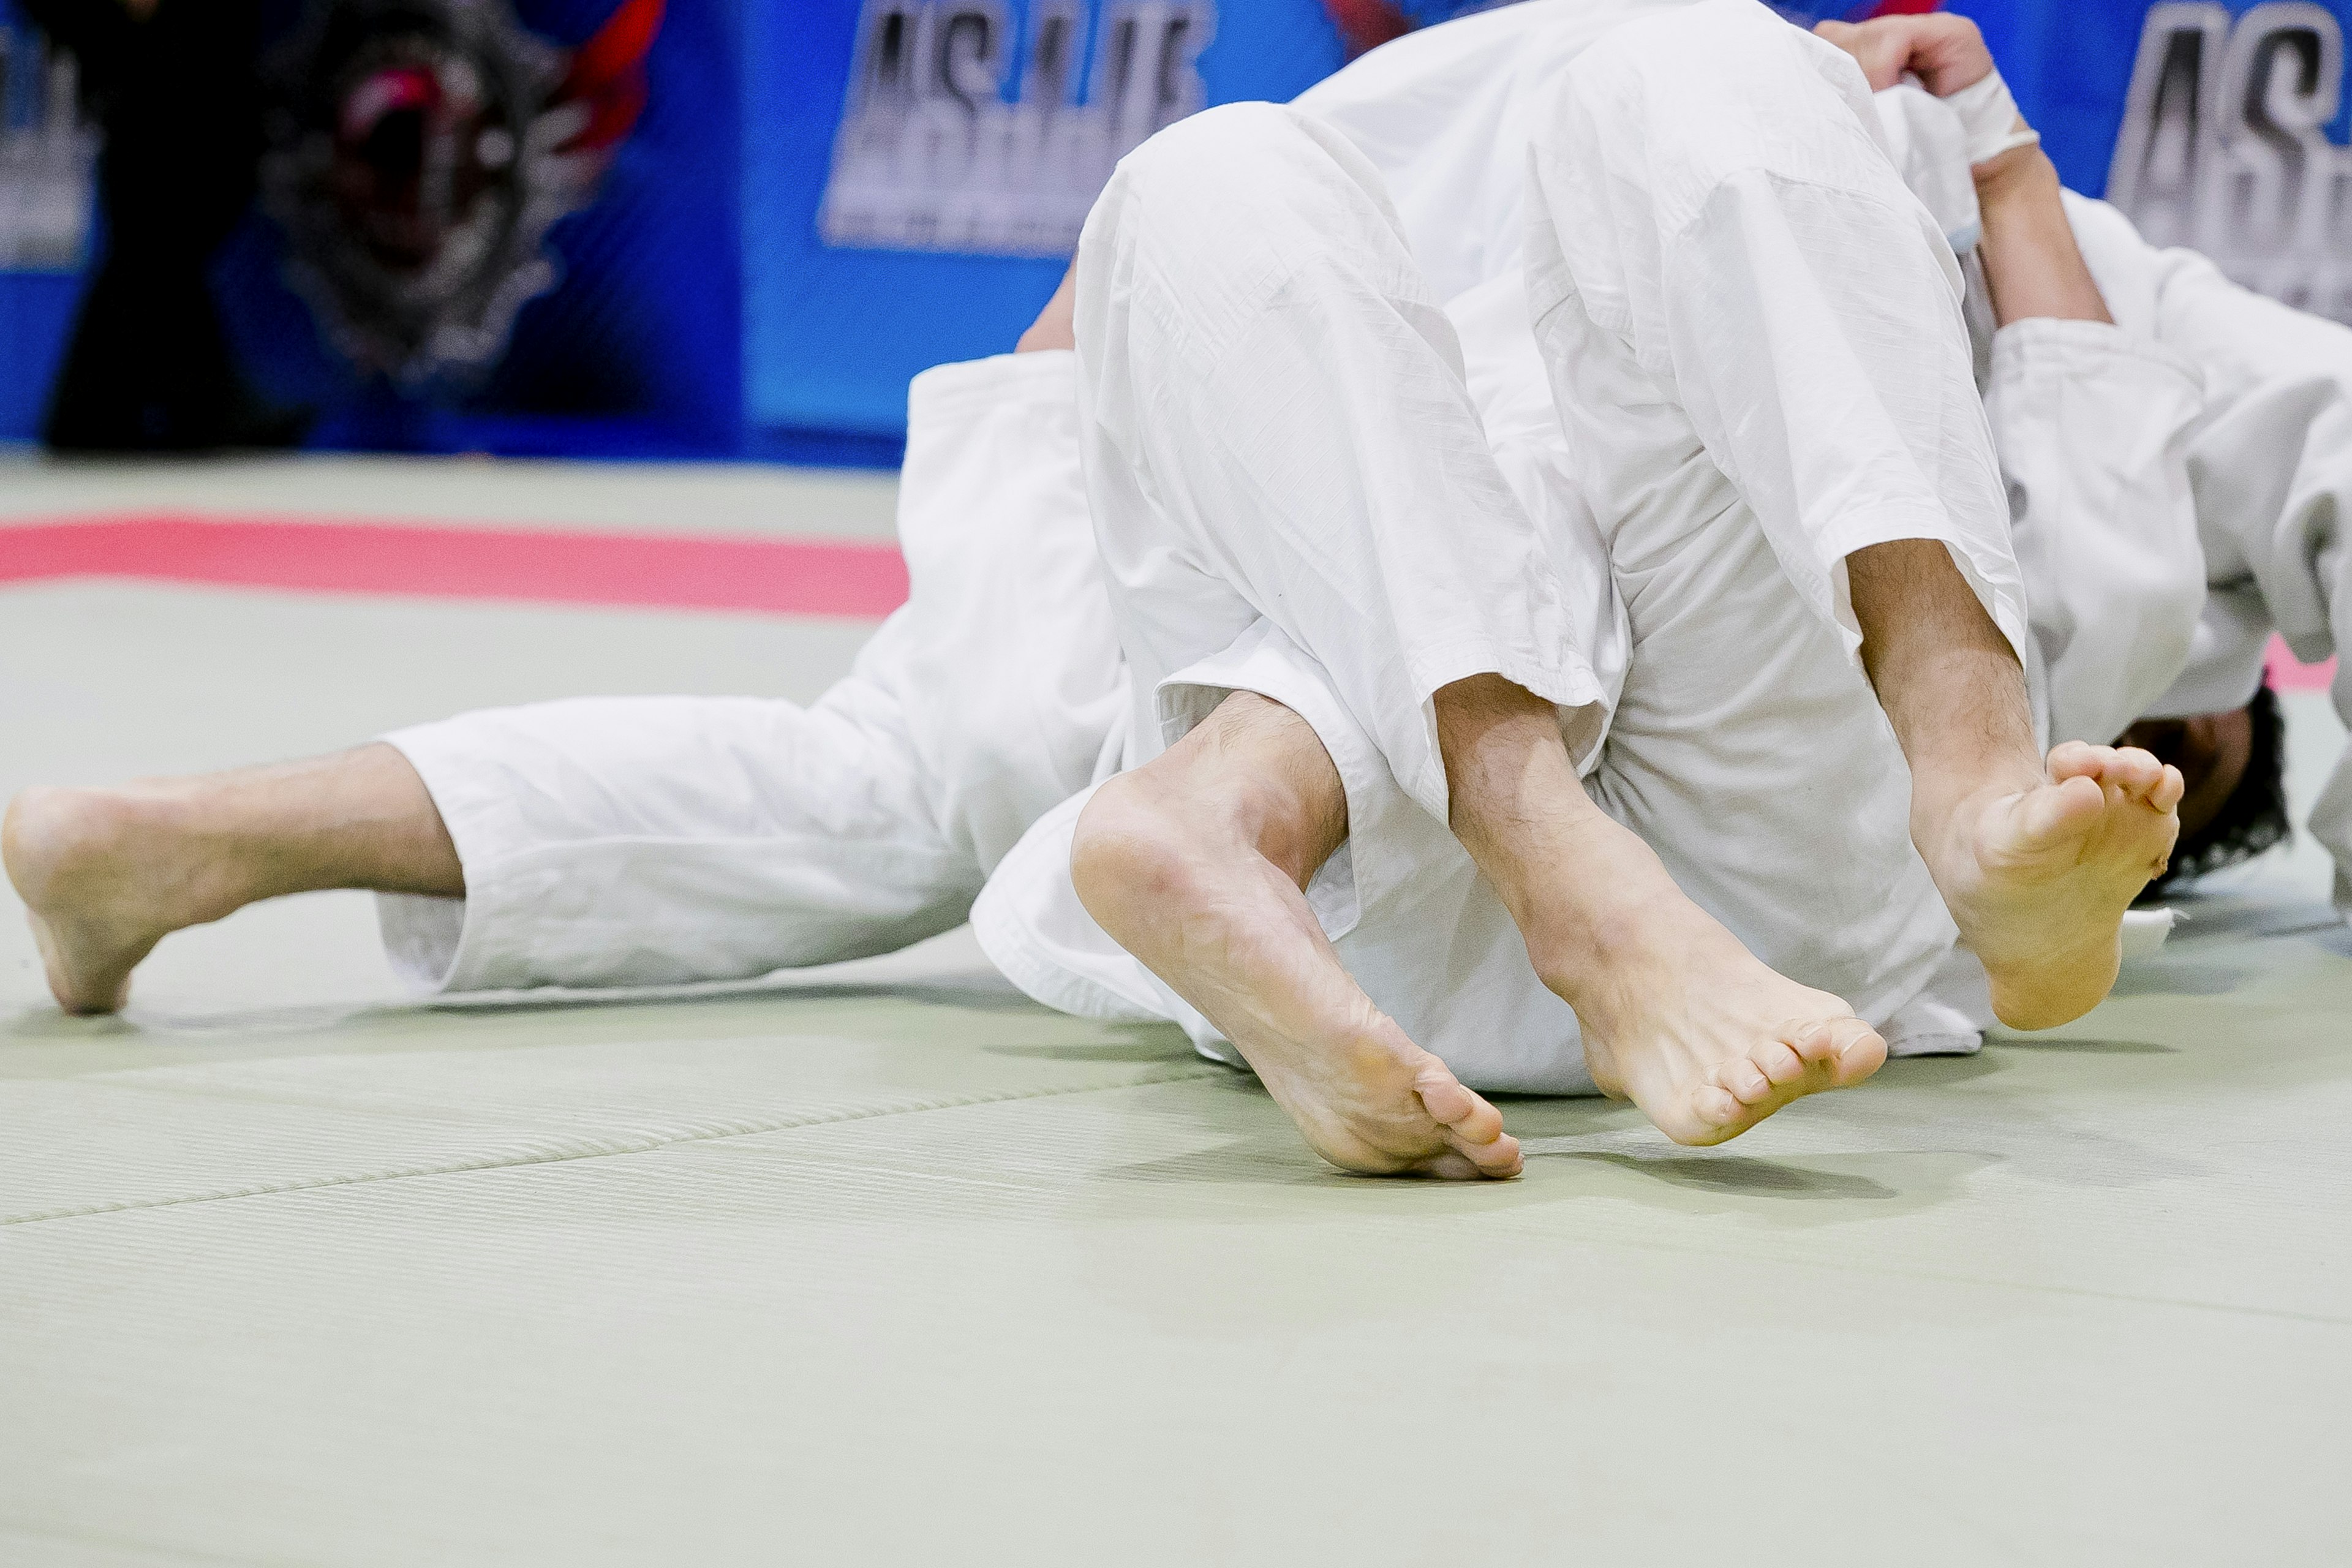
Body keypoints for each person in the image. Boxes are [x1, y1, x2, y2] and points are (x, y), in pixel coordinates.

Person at [4, 1, 2184, 1179]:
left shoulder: (1581, 126)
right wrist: (1990, 159)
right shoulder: (1884, 196)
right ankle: (1945, 762)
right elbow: (2120, 551)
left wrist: (1980, 156)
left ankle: (179, 841)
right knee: (1417, 164)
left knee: (1238, 212)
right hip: (1715, 888)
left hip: (1376, 789)